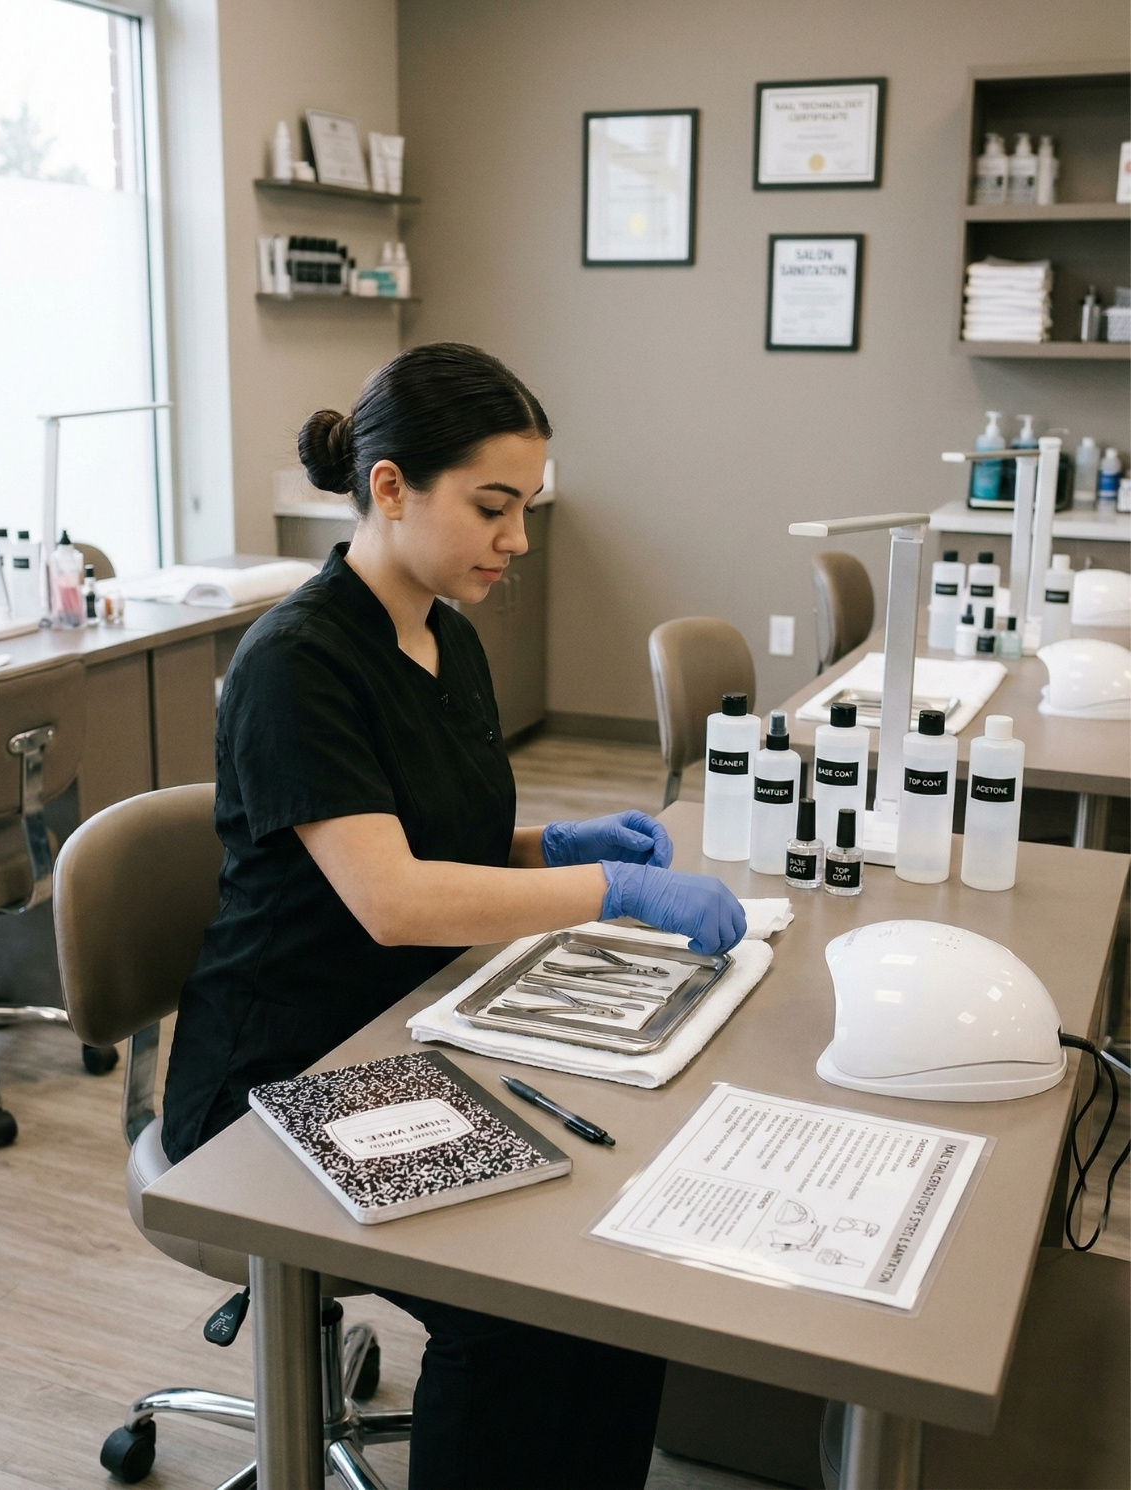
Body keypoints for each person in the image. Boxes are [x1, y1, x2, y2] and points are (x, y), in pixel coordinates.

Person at [161, 342, 745, 1490]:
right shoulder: (298, 663)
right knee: (519, 1310)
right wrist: (609, 891)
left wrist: (555, 845)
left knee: (608, 1262)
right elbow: (392, 897)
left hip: (421, 1024)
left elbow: (441, 845)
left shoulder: (447, 633)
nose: (517, 539)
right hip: (289, 1073)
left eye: (523, 507)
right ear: (389, 486)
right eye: (493, 506)